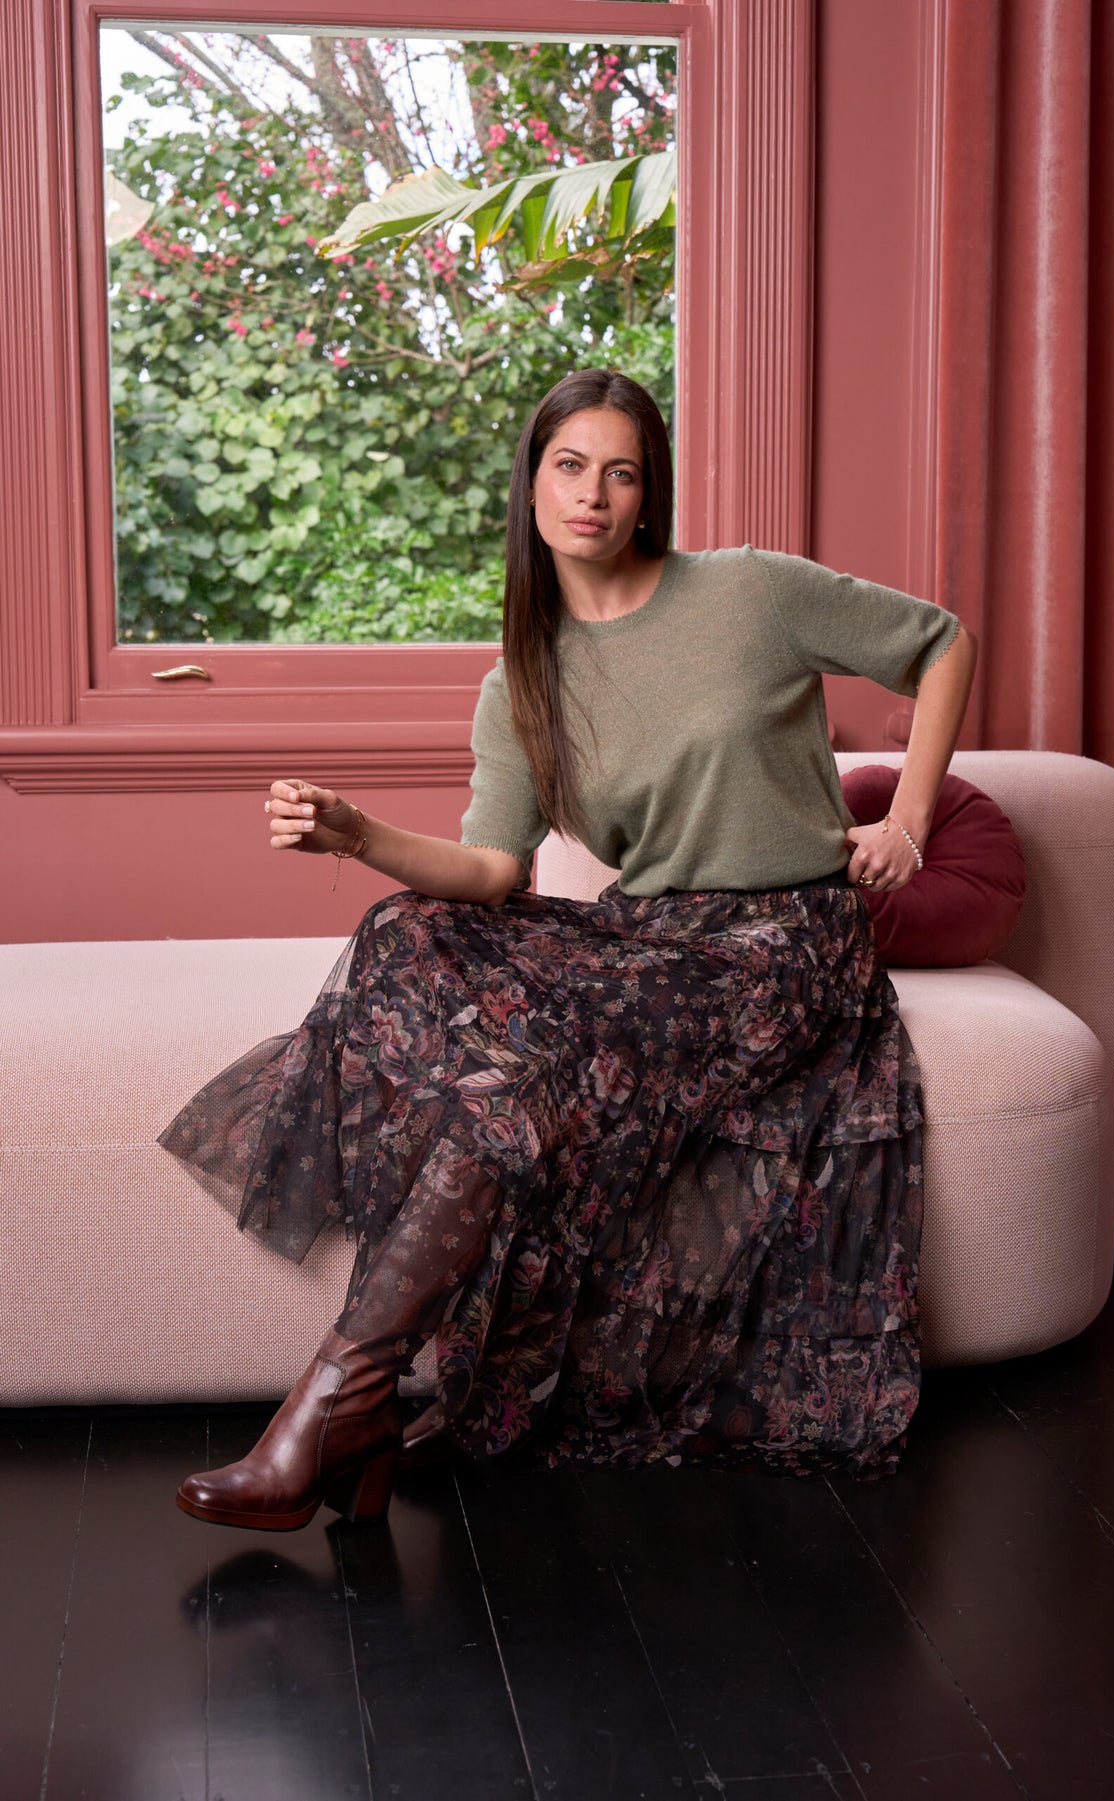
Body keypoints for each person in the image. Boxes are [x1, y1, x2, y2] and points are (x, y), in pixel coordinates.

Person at [162, 367, 976, 1531]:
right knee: (412, 937)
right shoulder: (522, 681)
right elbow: (494, 871)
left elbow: (943, 643)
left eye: (622, 472)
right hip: (653, 939)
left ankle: (333, 1409)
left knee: (517, 1085)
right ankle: (353, 1405)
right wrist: (358, 834)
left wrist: (909, 821)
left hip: (786, 947)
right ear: (532, 485)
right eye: (570, 466)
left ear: (649, 496)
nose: (593, 494)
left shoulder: (750, 590)